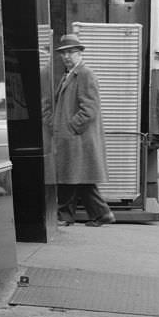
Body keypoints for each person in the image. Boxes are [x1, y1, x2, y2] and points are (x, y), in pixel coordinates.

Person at [51, 33, 115, 227]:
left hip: (78, 138)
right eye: (63, 53)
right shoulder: (71, 74)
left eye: (70, 52)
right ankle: (96, 214)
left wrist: (71, 127)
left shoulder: (85, 74)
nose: (66, 56)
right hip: (74, 138)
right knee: (74, 178)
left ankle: (70, 215)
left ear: (80, 53)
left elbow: (89, 108)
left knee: (73, 177)